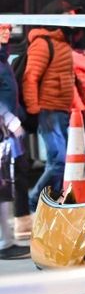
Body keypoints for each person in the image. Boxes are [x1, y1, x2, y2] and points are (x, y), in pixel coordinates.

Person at [23, 0, 76, 211]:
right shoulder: (44, 43)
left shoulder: (62, 42)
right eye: (69, 14)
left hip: (60, 111)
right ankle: (35, 200)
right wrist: (35, 108)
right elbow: (30, 77)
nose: (74, 19)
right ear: (57, 17)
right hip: (49, 111)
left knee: (58, 162)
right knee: (59, 161)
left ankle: (50, 204)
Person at [0, 23, 30, 256]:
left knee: (7, 182)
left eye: (8, 28)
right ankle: (4, 241)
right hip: (5, 130)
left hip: (8, 132)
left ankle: (6, 240)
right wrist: (10, 118)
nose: (6, 31)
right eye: (1, 28)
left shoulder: (4, 59)